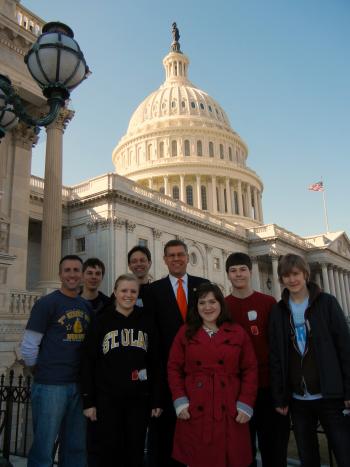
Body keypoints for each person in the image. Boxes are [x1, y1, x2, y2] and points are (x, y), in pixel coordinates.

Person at [269, 253, 350, 467]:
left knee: (344, 453)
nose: (292, 280)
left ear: (305, 274)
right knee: (308, 458)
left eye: (295, 274)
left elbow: (345, 348)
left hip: (330, 396)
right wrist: (280, 397)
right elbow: (276, 357)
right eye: (286, 276)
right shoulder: (278, 311)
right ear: (281, 279)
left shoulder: (327, 303)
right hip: (298, 400)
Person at [168, 282, 258, 467]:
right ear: (196, 307)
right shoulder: (185, 332)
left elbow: (250, 368)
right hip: (196, 405)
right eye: (202, 303)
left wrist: (245, 403)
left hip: (230, 406)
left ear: (220, 304)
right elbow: (174, 367)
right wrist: (180, 400)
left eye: (212, 302)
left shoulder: (237, 332)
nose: (207, 307)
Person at [81, 274, 163, 467]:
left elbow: (156, 362)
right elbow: (88, 361)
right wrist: (89, 401)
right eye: (124, 290)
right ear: (115, 293)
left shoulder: (147, 321)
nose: (128, 295)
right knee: (108, 452)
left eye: (133, 291)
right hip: (107, 400)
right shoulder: (101, 320)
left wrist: (157, 398)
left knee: (134, 452)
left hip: (139, 399)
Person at [20, 255, 92, 467]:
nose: (72, 275)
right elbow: (29, 345)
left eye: (76, 270)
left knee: (76, 448)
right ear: (60, 274)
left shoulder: (85, 306)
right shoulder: (46, 304)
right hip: (51, 384)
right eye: (67, 270)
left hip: (78, 385)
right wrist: (38, 370)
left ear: (81, 275)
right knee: (44, 449)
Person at [147, 239, 209, 467]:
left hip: (200, 372)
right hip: (166, 374)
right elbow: (152, 336)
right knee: (166, 438)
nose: (176, 259)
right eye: (171, 255)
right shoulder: (153, 291)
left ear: (187, 257)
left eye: (180, 255)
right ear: (164, 260)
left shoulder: (203, 286)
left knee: (200, 434)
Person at [225, 252, 290, 467]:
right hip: (237, 390)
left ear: (250, 272)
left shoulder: (269, 302)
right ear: (227, 275)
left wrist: (281, 391)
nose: (238, 274)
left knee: (274, 450)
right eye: (233, 271)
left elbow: (279, 347)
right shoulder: (222, 307)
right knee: (243, 453)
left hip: (268, 387)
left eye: (242, 269)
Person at [81, 257, 110, 467]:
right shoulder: (72, 301)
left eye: (97, 274)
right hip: (75, 371)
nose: (93, 277)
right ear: (83, 275)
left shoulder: (108, 304)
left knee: (97, 435)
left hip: (99, 374)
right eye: (90, 273)